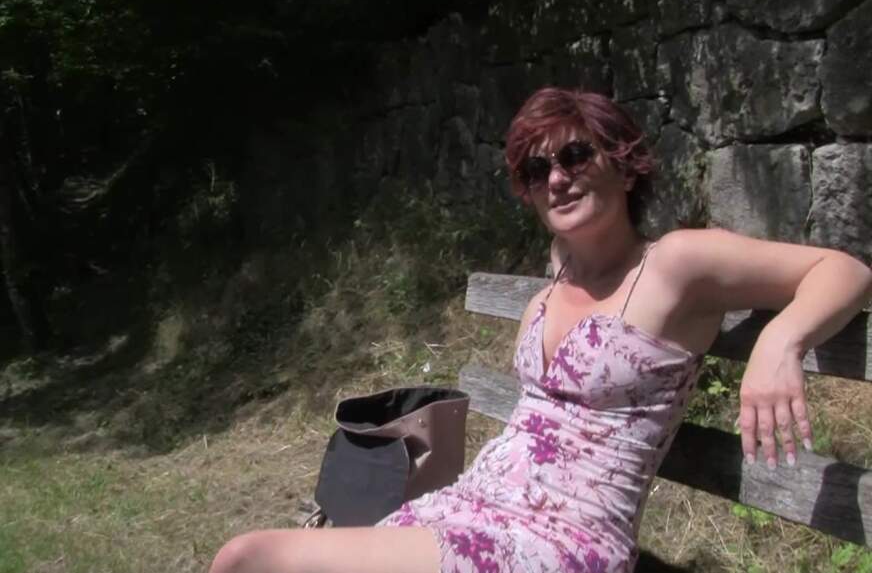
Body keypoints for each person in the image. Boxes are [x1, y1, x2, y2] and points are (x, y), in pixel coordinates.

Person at [208, 87, 872, 573]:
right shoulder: (555, 281)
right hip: (471, 507)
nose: (556, 178)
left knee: (248, 559)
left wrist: (780, 342)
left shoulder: (676, 264)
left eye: (576, 155)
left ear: (623, 162)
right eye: (535, 170)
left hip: (562, 542)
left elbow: (843, 270)